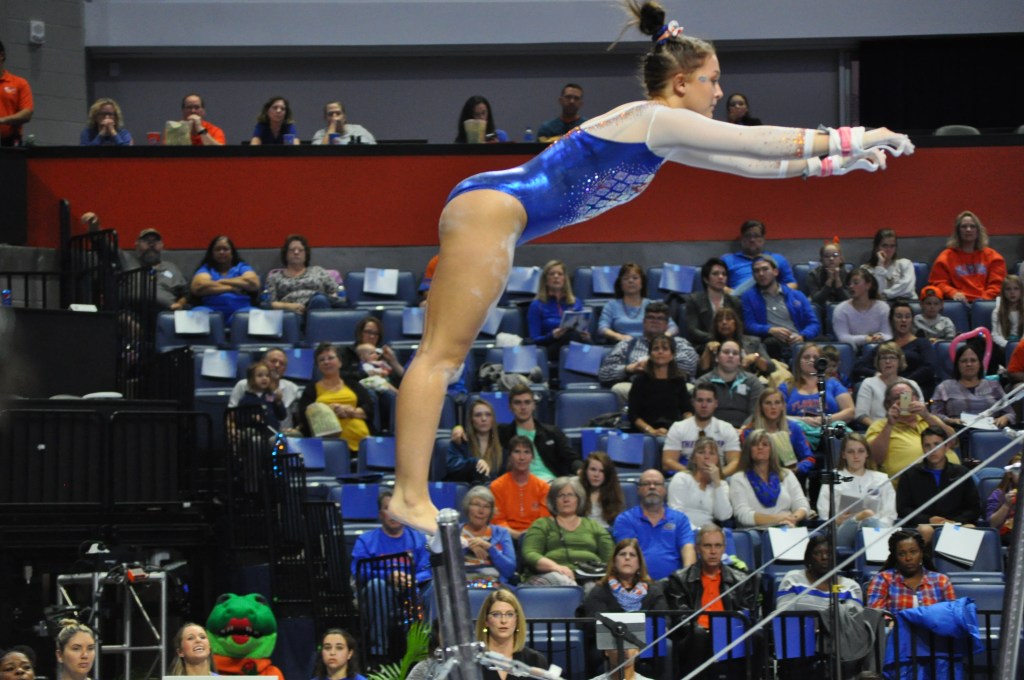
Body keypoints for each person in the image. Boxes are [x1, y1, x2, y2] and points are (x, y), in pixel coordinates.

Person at [388, 0, 913, 533]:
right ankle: (409, 495)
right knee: (440, 358)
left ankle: (410, 494)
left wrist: (833, 163)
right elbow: (751, 140)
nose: (719, 93)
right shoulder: (654, 119)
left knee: (441, 357)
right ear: (681, 83)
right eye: (712, 80)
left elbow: (748, 163)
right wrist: (858, 135)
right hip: (495, 209)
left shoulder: (660, 133)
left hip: (497, 211)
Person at [663, 523, 759, 679]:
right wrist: (706, 632)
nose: (713, 551)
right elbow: (681, 618)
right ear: (698, 548)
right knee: (699, 635)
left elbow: (747, 615)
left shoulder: (741, 579)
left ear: (724, 548)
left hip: (730, 635)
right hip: (694, 637)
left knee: (757, 636)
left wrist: (724, 633)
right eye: (707, 546)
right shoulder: (680, 579)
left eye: (717, 545)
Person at [350, 489, 432, 651]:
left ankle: (425, 648)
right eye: (388, 509)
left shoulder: (418, 538)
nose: (394, 514)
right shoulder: (366, 540)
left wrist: (413, 579)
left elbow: (428, 569)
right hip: (380, 591)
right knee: (377, 586)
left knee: (433, 587)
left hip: (412, 588)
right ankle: (379, 650)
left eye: (398, 509)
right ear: (380, 514)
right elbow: (358, 571)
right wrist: (387, 576)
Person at [579, 538, 668, 680]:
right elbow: (595, 623)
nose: (627, 558)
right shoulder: (600, 590)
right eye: (622, 554)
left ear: (639, 563)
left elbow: (662, 620)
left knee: (665, 646)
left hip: (646, 643)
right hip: (611, 645)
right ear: (614, 562)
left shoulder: (653, 590)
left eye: (632, 555)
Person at [521, 476, 614, 587]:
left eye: (571, 495)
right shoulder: (542, 524)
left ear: (579, 499)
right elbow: (530, 554)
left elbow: (610, 557)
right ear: (553, 501)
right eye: (561, 495)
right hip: (551, 576)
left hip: (589, 576)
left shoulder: (594, 526)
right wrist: (556, 567)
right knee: (564, 581)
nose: (566, 499)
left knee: (593, 587)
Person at [599, 301, 697, 404]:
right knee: (618, 388)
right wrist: (628, 369)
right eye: (650, 317)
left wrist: (652, 364)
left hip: (673, 387)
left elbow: (690, 366)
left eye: (660, 318)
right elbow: (604, 373)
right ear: (644, 321)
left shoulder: (679, 343)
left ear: (667, 324)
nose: (655, 321)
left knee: (691, 389)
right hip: (639, 389)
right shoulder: (627, 344)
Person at [897, 427, 981, 542]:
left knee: (970, 528)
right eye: (927, 446)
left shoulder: (962, 473)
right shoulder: (910, 475)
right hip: (922, 525)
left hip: (955, 523)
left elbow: (974, 508)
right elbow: (903, 509)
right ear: (923, 449)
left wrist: (953, 521)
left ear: (946, 447)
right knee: (926, 530)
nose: (932, 450)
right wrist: (928, 520)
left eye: (937, 444)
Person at [611, 468, 695, 579]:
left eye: (657, 484)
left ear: (664, 489)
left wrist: (687, 580)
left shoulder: (680, 519)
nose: (652, 487)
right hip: (638, 582)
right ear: (638, 489)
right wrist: (648, 584)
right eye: (646, 484)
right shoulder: (625, 520)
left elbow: (688, 550)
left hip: (675, 585)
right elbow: (628, 557)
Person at [816, 433, 896, 547]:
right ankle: (861, 518)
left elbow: (890, 514)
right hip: (842, 531)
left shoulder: (881, 479)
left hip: (876, 530)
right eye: (850, 452)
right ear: (843, 455)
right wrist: (837, 521)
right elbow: (824, 515)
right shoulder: (833, 478)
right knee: (866, 517)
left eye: (861, 451)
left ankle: (866, 519)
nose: (856, 456)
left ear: (867, 454)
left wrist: (874, 523)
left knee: (870, 520)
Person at [866, 379, 957, 479]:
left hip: (952, 476)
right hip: (909, 482)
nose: (904, 401)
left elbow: (953, 441)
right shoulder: (880, 425)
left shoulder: (930, 419)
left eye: (907, 396)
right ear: (888, 404)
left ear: (917, 398)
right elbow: (873, 459)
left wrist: (927, 416)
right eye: (897, 397)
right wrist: (889, 424)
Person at [295, 342, 374, 453]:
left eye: (330, 358)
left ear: (340, 362)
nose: (326, 362)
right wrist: (328, 410)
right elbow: (304, 415)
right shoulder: (312, 388)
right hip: (329, 445)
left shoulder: (353, 384)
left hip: (360, 440)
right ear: (318, 366)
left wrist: (350, 411)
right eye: (321, 360)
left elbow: (369, 409)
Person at [741, 255, 821, 361]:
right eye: (756, 271)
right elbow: (749, 325)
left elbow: (814, 323)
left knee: (825, 342)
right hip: (774, 341)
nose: (761, 274)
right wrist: (770, 330)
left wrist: (803, 336)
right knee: (770, 343)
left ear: (775, 272)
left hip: (799, 338)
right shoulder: (748, 297)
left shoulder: (797, 295)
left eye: (765, 269)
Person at [495, 384, 581, 480]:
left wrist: (580, 469)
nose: (523, 407)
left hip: (552, 482)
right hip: (519, 483)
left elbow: (571, 459)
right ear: (510, 407)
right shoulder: (503, 433)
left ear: (533, 405)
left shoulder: (552, 432)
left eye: (527, 402)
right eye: (517, 403)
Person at [728, 428, 810, 527]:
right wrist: (778, 519)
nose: (760, 447)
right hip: (756, 531)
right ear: (748, 450)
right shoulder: (739, 478)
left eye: (765, 444)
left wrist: (793, 518)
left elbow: (802, 505)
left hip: (787, 526)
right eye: (755, 444)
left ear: (772, 450)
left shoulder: (786, 474)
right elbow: (743, 514)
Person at [662, 381, 741, 475]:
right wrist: (694, 475)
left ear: (716, 403)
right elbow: (667, 462)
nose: (704, 405)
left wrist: (718, 476)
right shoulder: (678, 427)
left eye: (709, 401)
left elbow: (735, 462)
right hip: (686, 475)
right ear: (693, 402)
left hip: (718, 476)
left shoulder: (726, 428)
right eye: (700, 400)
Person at [931, 341, 1014, 429]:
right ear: (957, 365)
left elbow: (1010, 413)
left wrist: (1005, 418)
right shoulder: (944, 387)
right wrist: (950, 420)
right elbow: (934, 415)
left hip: (990, 431)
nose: (969, 364)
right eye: (964, 361)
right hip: (956, 431)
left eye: (973, 360)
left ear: (980, 364)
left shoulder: (994, 386)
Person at [866, 529, 955, 610]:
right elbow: (876, 616)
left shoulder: (942, 581)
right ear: (895, 556)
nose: (908, 558)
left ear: (921, 553)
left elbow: (952, 615)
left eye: (913, 552)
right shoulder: (882, 579)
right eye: (901, 554)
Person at [928, 210, 1006, 302]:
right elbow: (937, 282)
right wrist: (952, 293)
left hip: (985, 302)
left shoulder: (993, 257)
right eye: (964, 226)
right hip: (958, 303)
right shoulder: (946, 257)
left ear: (978, 230)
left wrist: (983, 300)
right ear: (958, 231)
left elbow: (998, 284)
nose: (968, 229)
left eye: (972, 226)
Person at [776, 534, 863, 611]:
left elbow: (854, 621)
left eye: (829, 553)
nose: (824, 557)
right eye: (817, 553)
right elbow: (784, 618)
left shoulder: (849, 587)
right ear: (808, 558)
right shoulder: (793, 581)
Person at [627, 333, 692, 436]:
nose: (660, 352)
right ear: (650, 354)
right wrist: (651, 431)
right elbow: (633, 415)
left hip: (673, 433)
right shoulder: (640, 381)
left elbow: (687, 410)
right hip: (646, 433)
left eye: (665, 349)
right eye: (656, 349)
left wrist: (685, 428)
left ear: (672, 355)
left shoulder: (678, 381)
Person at [475, 590, 549, 680]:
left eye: (510, 614)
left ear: (517, 620)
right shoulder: (473, 662)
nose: (503, 621)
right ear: (486, 620)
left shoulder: (535, 660)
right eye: (496, 614)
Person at [527, 259, 590, 361]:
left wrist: (586, 336)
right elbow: (534, 339)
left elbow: (582, 327)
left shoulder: (576, 302)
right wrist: (552, 336)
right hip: (551, 347)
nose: (556, 276)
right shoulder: (537, 305)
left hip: (575, 342)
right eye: (552, 274)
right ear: (545, 280)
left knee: (584, 341)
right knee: (572, 336)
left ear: (565, 279)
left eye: (560, 274)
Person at [780, 343, 855, 429]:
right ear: (798, 362)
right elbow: (775, 415)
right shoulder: (786, 387)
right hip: (797, 431)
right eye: (806, 357)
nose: (811, 360)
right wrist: (802, 420)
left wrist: (826, 420)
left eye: (816, 358)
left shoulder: (833, 383)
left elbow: (850, 411)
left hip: (829, 431)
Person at [741, 388, 814, 476]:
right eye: (768, 403)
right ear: (760, 407)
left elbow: (808, 458)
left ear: (783, 406)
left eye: (777, 403)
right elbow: (745, 462)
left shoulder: (793, 428)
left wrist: (797, 469)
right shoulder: (749, 432)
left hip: (788, 475)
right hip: (757, 475)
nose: (773, 407)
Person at [599, 263, 679, 342]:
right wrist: (619, 337)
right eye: (626, 278)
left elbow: (673, 328)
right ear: (620, 284)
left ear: (642, 282)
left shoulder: (653, 305)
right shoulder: (611, 305)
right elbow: (602, 328)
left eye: (635, 278)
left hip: (651, 344)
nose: (630, 281)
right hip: (622, 344)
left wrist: (662, 338)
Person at [490, 436, 552, 540]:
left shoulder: (543, 487)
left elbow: (544, 521)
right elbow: (497, 521)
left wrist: (529, 536)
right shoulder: (496, 486)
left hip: (536, 537)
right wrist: (518, 536)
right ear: (509, 456)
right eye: (517, 452)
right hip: (506, 537)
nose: (522, 457)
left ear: (532, 457)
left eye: (526, 452)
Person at [190, 235, 260, 324]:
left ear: (232, 252)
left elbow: (253, 283)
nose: (221, 252)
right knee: (195, 314)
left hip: (242, 309)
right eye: (217, 249)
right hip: (211, 310)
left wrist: (222, 281)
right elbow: (199, 286)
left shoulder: (241, 267)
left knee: (256, 315)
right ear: (212, 253)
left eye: (225, 249)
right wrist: (232, 288)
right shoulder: (206, 269)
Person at [266, 234, 341, 316]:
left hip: (318, 307)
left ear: (306, 254)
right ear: (285, 254)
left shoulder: (318, 271)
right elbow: (269, 303)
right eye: (292, 250)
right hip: (291, 313)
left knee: (320, 299)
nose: (296, 252)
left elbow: (336, 293)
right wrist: (289, 306)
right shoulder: (275, 277)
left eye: (300, 250)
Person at [666, 436, 733, 528]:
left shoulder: (722, 485)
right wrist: (696, 530)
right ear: (694, 458)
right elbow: (676, 513)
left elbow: (723, 516)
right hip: (683, 530)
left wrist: (717, 483)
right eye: (701, 453)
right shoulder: (681, 478)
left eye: (711, 453)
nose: (706, 457)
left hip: (709, 532)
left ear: (717, 459)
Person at [854, 341, 925, 427]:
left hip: (909, 429)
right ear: (878, 362)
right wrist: (877, 429)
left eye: (892, 357)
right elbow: (861, 415)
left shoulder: (911, 384)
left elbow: (922, 412)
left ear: (899, 361)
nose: (887, 361)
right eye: (883, 358)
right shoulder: (869, 383)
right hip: (879, 429)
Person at [228, 348, 301, 431]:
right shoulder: (243, 385)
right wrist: (233, 431)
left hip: (282, 435)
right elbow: (231, 415)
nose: (277, 365)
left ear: (285, 369)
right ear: (262, 362)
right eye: (273, 361)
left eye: (282, 364)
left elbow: (297, 418)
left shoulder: (292, 388)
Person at [697, 339, 763, 428]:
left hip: (745, 430)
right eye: (726, 352)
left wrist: (744, 429)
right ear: (717, 358)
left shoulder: (752, 381)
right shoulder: (704, 382)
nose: (730, 355)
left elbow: (757, 412)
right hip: (711, 429)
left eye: (735, 353)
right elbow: (699, 411)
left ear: (739, 360)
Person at [120, 228, 189, 311]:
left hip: (167, 312)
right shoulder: (128, 263)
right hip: (133, 312)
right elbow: (110, 247)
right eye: (146, 241)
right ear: (137, 244)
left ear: (162, 245)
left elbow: (186, 294)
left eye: (155, 241)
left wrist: (180, 304)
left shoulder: (171, 267)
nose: (151, 245)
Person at [722, 219, 798, 294]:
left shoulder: (777, 259)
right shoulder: (728, 260)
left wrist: (775, 293)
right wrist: (733, 294)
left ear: (763, 239)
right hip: (739, 298)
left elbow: (792, 284)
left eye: (756, 236)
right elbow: (717, 283)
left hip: (771, 298)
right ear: (742, 239)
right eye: (748, 236)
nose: (752, 240)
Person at [880, 299, 938, 396]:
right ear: (891, 320)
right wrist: (878, 375)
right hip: (887, 388)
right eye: (899, 316)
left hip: (916, 387)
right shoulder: (886, 346)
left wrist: (904, 382)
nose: (903, 320)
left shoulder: (922, 343)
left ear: (912, 320)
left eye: (907, 317)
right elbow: (861, 366)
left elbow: (929, 368)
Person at [460, 485, 517, 585]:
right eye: (476, 505)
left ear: (491, 511)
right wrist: (467, 544)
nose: (481, 511)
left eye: (486, 506)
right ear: (467, 507)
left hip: (494, 587)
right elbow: (446, 566)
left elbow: (509, 571)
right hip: (462, 587)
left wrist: (490, 548)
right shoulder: (455, 532)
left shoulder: (501, 533)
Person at [685, 257, 742, 353]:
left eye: (724, 274)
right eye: (716, 274)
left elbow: (739, 328)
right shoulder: (694, 300)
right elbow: (693, 330)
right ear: (706, 279)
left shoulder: (734, 301)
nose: (721, 277)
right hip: (703, 346)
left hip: (730, 346)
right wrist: (715, 339)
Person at [695, 306, 771, 376]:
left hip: (748, 381)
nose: (724, 322)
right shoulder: (710, 345)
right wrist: (707, 351)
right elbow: (700, 373)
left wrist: (756, 357)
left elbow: (771, 368)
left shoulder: (753, 341)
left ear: (736, 323)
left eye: (728, 319)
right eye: (719, 320)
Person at [831, 265, 892, 348]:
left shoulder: (883, 308)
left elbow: (888, 335)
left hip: (879, 350)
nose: (851, 286)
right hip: (852, 351)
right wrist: (866, 339)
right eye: (849, 284)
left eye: (856, 283)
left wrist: (881, 337)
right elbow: (843, 338)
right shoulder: (841, 309)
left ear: (868, 285)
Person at [446, 399, 503, 483]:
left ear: (493, 419)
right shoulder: (461, 440)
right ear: (471, 420)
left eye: (488, 415)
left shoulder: (502, 440)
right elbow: (453, 467)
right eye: (478, 415)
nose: (483, 419)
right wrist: (474, 463)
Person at [339, 316, 406, 383]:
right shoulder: (346, 352)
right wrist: (365, 373)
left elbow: (401, 382)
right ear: (360, 332)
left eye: (376, 333)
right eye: (368, 332)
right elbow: (340, 375)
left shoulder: (383, 355)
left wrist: (393, 362)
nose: (372, 336)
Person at [236, 360, 287, 433]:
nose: (264, 378)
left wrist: (278, 402)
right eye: (260, 375)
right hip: (255, 436)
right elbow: (239, 420)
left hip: (273, 434)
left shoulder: (271, 396)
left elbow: (282, 416)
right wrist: (251, 418)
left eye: (267, 376)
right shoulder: (246, 400)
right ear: (251, 380)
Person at [578, 451, 626, 528]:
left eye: (602, 471)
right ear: (586, 471)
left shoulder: (614, 494)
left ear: (608, 474)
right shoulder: (576, 491)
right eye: (593, 469)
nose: (596, 475)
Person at [867, 228, 917, 300]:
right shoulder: (867, 269)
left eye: (892, 246)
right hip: (880, 304)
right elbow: (876, 292)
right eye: (884, 246)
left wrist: (885, 294)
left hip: (906, 303)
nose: (889, 250)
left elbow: (907, 288)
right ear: (876, 247)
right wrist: (880, 266)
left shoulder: (905, 264)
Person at [0, 40, 33, 146]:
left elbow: (27, 113)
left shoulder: (19, 83)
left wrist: (2, 120)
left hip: (10, 142)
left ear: (1, 56)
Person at [802, 239, 850, 306]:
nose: (831, 258)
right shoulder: (813, 275)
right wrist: (829, 281)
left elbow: (849, 300)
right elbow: (816, 300)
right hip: (822, 308)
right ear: (821, 260)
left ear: (841, 259)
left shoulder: (848, 274)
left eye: (835, 255)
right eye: (827, 256)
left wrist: (837, 280)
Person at [986, 456, 1020, 542]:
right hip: (1007, 535)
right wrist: (1006, 505)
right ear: (1009, 474)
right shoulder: (998, 494)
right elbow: (992, 524)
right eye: (1017, 470)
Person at [312, 101, 376, 145]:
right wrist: (332, 126)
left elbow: (375, 150)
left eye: (338, 113)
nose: (334, 117)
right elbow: (319, 153)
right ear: (326, 118)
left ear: (344, 117)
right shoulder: (320, 134)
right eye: (330, 114)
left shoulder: (359, 130)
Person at [991, 274, 1023, 363]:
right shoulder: (997, 311)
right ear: (1003, 292)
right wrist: (1009, 346)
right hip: (1003, 348)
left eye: (1016, 289)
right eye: (1008, 289)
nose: (1012, 292)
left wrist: (1019, 347)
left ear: (1021, 291)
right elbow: (995, 335)